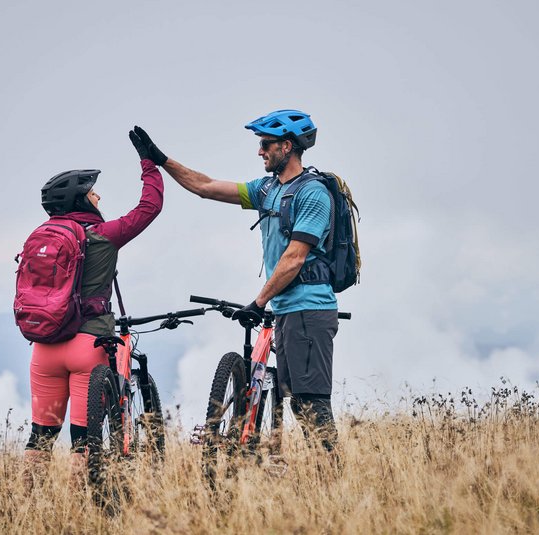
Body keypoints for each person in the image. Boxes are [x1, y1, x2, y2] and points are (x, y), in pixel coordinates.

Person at [130, 110, 339, 452]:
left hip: (310, 310)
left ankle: (335, 481)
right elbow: (206, 187)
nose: (260, 151)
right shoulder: (268, 189)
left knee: (312, 406)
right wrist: (160, 159)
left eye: (265, 144)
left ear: (287, 146)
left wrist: (258, 302)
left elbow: (295, 258)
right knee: (299, 403)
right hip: (288, 309)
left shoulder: (313, 194)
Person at [22, 131, 164, 489]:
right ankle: (76, 515)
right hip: (89, 346)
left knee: (39, 438)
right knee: (83, 444)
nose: (98, 195)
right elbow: (149, 208)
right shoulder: (102, 235)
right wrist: (150, 163)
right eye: (91, 192)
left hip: (44, 347)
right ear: (80, 200)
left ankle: (18, 506)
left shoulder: (40, 236)